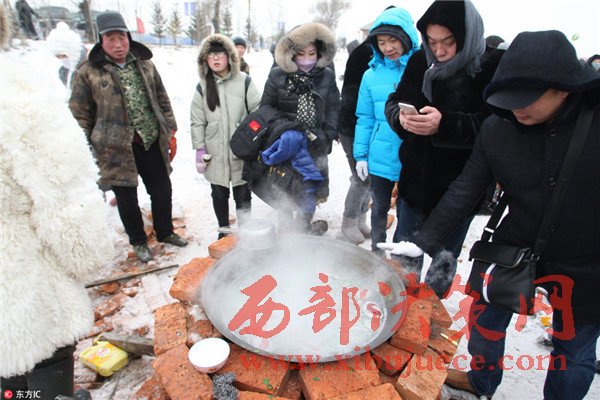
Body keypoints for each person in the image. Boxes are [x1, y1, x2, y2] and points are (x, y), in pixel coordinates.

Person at [380, 29, 600, 400]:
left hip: (586, 253)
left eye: (526, 99)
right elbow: (465, 188)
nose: (517, 109)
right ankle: (482, 379)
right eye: (509, 99)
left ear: (564, 89)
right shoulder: (498, 128)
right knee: (484, 317)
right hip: (516, 241)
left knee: (574, 348)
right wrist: (423, 241)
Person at [1, 3, 113, 395]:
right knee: (40, 363)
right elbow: (67, 200)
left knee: (9, 380)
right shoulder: (20, 97)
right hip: (24, 283)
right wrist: (90, 257)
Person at [383, 0, 503, 297]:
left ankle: (432, 307)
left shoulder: (489, 67)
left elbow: (496, 125)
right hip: (414, 185)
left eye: (448, 42)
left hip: (458, 191)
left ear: (467, 35)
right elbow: (395, 100)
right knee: (404, 258)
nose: (438, 50)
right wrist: (400, 117)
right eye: (432, 41)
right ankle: (400, 303)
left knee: (443, 259)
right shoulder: (419, 61)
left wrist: (446, 124)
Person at [69, 11, 187, 263]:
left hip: (149, 140)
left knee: (162, 189)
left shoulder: (145, 64)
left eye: (121, 37)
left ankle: (165, 232)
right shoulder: (88, 72)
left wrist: (171, 131)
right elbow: (79, 114)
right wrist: (89, 146)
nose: (117, 44)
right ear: (101, 40)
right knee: (126, 198)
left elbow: (163, 99)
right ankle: (139, 242)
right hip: (115, 149)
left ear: (128, 37)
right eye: (110, 39)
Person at [260, 22, 340, 234]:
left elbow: (334, 106)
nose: (306, 60)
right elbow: (266, 109)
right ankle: (286, 235)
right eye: (301, 54)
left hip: (315, 144)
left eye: (312, 54)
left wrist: (327, 134)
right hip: (286, 145)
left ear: (320, 53)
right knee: (284, 191)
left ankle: (304, 232)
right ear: (291, 54)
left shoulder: (327, 75)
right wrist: (284, 132)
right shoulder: (277, 75)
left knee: (309, 192)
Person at [352, 7, 420, 249]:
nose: (388, 48)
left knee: (407, 212)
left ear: (406, 38)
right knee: (379, 208)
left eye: (393, 40)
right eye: (381, 42)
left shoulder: (421, 70)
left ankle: (402, 259)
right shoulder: (370, 76)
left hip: (412, 157)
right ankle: (376, 253)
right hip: (379, 155)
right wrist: (360, 155)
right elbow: (365, 118)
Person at [191, 34, 261, 239]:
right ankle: (224, 232)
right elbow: (197, 121)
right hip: (215, 152)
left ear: (229, 56)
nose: (215, 58)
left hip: (241, 150)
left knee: (243, 194)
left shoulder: (244, 81)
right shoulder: (202, 86)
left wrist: (252, 138)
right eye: (210, 54)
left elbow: (258, 111)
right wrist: (200, 148)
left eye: (220, 53)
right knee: (219, 194)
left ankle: (245, 233)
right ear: (204, 59)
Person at [336, 38, 373, 243]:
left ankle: (360, 219)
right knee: (361, 178)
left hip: (370, 127)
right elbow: (350, 94)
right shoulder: (364, 53)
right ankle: (348, 223)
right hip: (352, 126)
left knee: (369, 177)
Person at [46, 21, 87, 88]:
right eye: (58, 56)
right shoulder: (63, 72)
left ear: (74, 53)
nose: (62, 59)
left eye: (64, 56)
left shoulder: (92, 70)